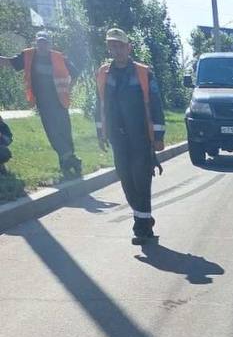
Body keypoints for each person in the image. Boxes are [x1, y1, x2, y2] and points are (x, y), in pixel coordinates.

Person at [95, 29, 166, 245]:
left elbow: (155, 104)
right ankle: (144, 219)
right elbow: (99, 104)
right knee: (126, 180)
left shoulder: (143, 73)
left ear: (128, 47)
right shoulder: (104, 73)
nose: (116, 50)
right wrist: (100, 132)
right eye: (112, 46)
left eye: (119, 45)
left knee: (141, 180)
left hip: (141, 137)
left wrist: (159, 135)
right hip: (118, 137)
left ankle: (142, 228)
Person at [0, 32, 81, 178]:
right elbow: (10, 62)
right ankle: (70, 160)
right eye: (40, 42)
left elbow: (75, 73)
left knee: (64, 132)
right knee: (53, 133)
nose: (42, 46)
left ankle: (69, 161)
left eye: (45, 43)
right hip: (44, 104)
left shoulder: (58, 57)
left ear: (50, 44)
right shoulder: (29, 56)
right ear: (35, 43)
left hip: (60, 102)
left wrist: (69, 89)